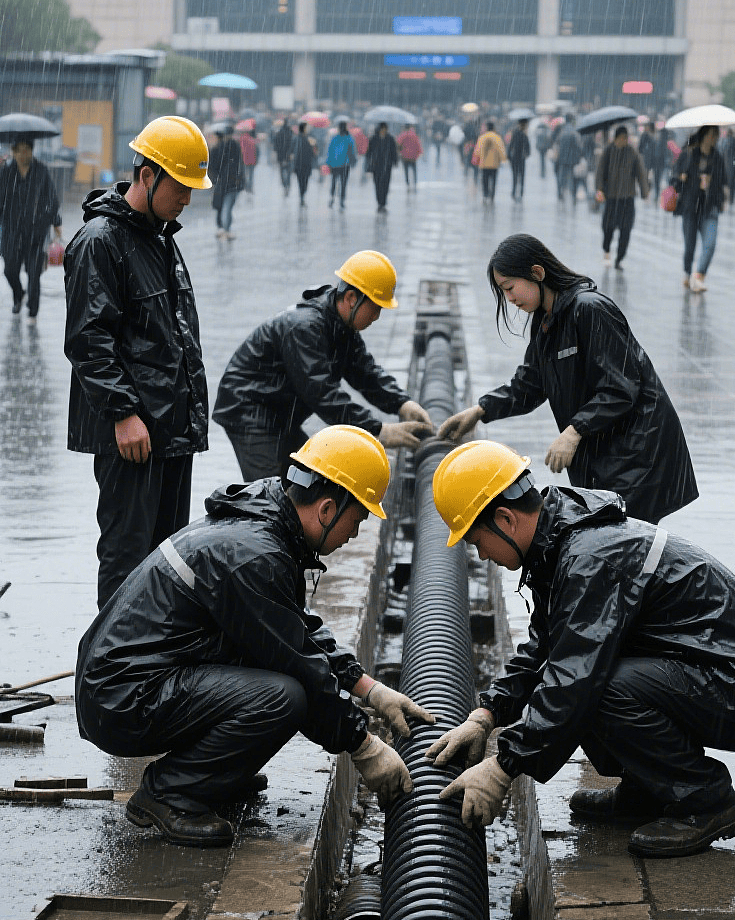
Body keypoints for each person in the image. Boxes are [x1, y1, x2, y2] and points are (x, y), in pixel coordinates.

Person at [427, 441, 735, 857]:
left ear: (504, 518)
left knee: (599, 689)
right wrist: (487, 714)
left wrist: (502, 768)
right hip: (721, 671)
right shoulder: (560, 544)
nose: (481, 555)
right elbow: (545, 647)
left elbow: (573, 678)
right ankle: (650, 790)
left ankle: (706, 800)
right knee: (587, 678)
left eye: (476, 540)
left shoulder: (590, 558)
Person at [75, 426, 436, 847]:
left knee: (274, 672)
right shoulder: (256, 557)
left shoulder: (263, 523)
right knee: (284, 697)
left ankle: (210, 777)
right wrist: (363, 746)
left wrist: (369, 689)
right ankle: (170, 793)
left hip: (128, 680)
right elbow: (299, 663)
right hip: (121, 698)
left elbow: (294, 629)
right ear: (326, 509)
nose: (354, 534)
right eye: (356, 520)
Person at [438, 234, 697, 524]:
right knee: (613, 545)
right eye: (504, 292)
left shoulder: (590, 309)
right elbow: (530, 384)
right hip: (608, 454)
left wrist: (574, 432)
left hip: (638, 454)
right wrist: (480, 411)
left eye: (510, 288)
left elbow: (620, 387)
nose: (509, 299)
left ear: (537, 273)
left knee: (621, 545)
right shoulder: (547, 320)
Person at [64, 116, 211, 609]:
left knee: (168, 558)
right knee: (128, 558)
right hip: (132, 435)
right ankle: (113, 676)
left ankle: (155, 670)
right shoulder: (100, 242)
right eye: (182, 187)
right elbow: (89, 339)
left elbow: (174, 338)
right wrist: (123, 414)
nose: (188, 199)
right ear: (148, 176)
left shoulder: (161, 238)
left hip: (169, 432)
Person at [213, 249, 433, 481]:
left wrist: (402, 403)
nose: (376, 316)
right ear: (351, 298)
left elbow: (364, 372)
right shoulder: (305, 328)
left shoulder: (340, 326)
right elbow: (322, 393)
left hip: (276, 411)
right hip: (250, 411)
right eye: (376, 307)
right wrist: (378, 430)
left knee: (309, 482)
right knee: (270, 492)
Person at [0, 136, 61, 320]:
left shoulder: (41, 171)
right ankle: (18, 294)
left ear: (32, 150)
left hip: (36, 230)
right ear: (13, 151)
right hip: (12, 230)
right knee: (10, 270)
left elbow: (51, 199)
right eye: (18, 150)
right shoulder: (6, 172)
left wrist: (56, 222)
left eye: (26, 149)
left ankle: (33, 310)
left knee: (34, 273)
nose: (22, 154)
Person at [672, 125, 728, 292]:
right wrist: (682, 178)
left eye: (716, 135)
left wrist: (720, 195)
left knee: (710, 244)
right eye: (712, 134)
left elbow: (723, 180)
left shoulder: (717, 157)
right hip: (690, 207)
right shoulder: (689, 154)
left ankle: (699, 275)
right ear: (704, 136)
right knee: (690, 246)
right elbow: (674, 177)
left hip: (709, 207)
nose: (714, 138)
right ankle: (687, 273)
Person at [595, 125, 649, 268]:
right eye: (622, 138)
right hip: (611, 198)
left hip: (627, 198)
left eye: (627, 138)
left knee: (626, 229)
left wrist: (645, 192)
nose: (625, 141)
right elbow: (600, 171)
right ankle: (606, 249)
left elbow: (641, 173)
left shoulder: (632, 152)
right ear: (616, 138)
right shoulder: (608, 151)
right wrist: (599, 189)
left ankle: (619, 257)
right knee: (608, 227)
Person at [210, 124, 245, 238]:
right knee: (227, 206)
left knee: (222, 206)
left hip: (222, 182)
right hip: (232, 182)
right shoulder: (235, 146)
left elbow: (212, 166)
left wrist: (216, 178)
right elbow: (239, 165)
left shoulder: (219, 148)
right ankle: (226, 229)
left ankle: (222, 228)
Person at [367, 122, 398, 212]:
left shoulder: (390, 139)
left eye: (385, 129)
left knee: (386, 185)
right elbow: (369, 152)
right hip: (376, 166)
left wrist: (395, 161)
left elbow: (393, 151)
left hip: (387, 166)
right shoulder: (374, 138)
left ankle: (383, 202)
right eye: (382, 129)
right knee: (377, 184)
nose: (384, 131)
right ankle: (379, 202)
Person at [326, 120, 357, 210]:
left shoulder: (334, 138)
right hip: (345, 165)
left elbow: (330, 150)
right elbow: (352, 151)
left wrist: (328, 162)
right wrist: (353, 162)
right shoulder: (349, 138)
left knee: (334, 181)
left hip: (334, 164)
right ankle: (342, 200)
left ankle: (332, 198)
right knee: (343, 183)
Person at [553, 115, 582, 202]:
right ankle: (573, 194)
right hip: (572, 159)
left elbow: (557, 144)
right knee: (572, 178)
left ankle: (560, 193)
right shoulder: (574, 131)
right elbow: (578, 146)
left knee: (561, 177)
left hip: (562, 158)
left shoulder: (562, 131)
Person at [477, 119, 507, 203]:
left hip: (484, 164)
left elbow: (477, 151)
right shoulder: (497, 137)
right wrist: (503, 159)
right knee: (493, 180)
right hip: (494, 164)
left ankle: (485, 194)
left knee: (484, 180)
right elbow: (501, 150)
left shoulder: (482, 137)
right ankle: (492, 195)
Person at [638, 121, 665, 204]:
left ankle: (653, 195)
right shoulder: (647, 136)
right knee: (648, 179)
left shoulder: (657, 135)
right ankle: (648, 194)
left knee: (655, 179)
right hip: (650, 161)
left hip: (655, 161)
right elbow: (640, 148)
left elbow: (640, 148)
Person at [507, 118, 531, 200]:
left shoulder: (515, 133)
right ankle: (520, 193)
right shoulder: (524, 135)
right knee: (521, 176)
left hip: (514, 158)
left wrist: (509, 157)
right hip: (521, 159)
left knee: (515, 176)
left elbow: (511, 146)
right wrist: (526, 154)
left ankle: (514, 192)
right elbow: (528, 149)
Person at [293, 122, 315, 207]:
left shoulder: (310, 139)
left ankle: (302, 194)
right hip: (300, 164)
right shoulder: (297, 139)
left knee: (304, 182)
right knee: (301, 181)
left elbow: (314, 153)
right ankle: (302, 196)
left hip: (305, 164)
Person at [720, 128, 735, 205]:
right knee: (733, 184)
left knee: (726, 183)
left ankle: (725, 198)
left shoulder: (724, 141)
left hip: (726, 166)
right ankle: (731, 199)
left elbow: (722, 153)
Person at [397, 123, 423, 189]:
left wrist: (399, 152)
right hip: (413, 156)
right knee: (414, 169)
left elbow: (398, 144)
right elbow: (418, 144)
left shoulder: (402, 135)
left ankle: (407, 183)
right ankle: (415, 182)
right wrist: (420, 152)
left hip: (405, 156)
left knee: (406, 170)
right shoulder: (414, 135)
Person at [273, 118, 295, 195]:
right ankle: (287, 184)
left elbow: (275, 146)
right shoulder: (291, 133)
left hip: (281, 156)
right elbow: (293, 145)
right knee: (288, 171)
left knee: (282, 171)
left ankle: (284, 184)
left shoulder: (279, 133)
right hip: (289, 156)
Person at [239, 124, 258, 195]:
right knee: (251, 174)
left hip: (244, 159)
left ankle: (247, 186)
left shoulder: (242, 139)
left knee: (245, 174)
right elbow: (256, 150)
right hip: (252, 160)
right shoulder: (252, 140)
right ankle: (250, 187)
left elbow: (241, 149)